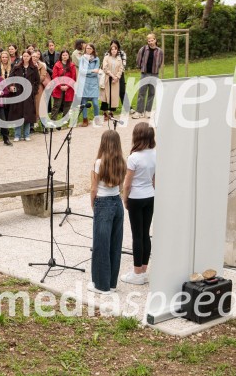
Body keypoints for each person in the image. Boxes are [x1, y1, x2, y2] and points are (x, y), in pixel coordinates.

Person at [89, 129, 126, 294]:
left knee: (101, 245)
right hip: (117, 203)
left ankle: (101, 286)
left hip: (103, 203)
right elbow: (121, 187)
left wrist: (93, 205)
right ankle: (111, 283)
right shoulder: (122, 163)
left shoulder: (99, 163)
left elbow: (93, 189)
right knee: (115, 244)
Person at [121, 122, 156, 285]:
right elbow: (155, 179)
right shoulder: (155, 154)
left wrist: (125, 198)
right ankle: (144, 270)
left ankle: (136, 273)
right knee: (145, 234)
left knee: (137, 235)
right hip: (150, 196)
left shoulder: (134, 157)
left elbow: (127, 183)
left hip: (136, 197)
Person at [8, 52, 39, 142]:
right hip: (18, 93)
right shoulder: (17, 67)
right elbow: (10, 78)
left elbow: (37, 81)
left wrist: (33, 91)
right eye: (24, 56)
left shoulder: (34, 68)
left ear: (30, 57)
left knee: (28, 114)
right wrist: (11, 86)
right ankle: (17, 135)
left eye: (27, 56)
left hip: (29, 94)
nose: (26, 58)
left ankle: (26, 134)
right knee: (18, 114)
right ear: (22, 57)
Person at [133, 34, 163, 119]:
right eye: (149, 41)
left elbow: (160, 62)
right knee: (141, 93)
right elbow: (138, 60)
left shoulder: (160, 51)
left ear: (155, 40)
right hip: (144, 73)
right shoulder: (143, 49)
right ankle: (139, 112)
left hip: (154, 74)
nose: (150, 42)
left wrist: (156, 69)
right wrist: (141, 68)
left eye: (152, 40)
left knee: (152, 93)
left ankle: (148, 111)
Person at [100, 40, 124, 121]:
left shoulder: (119, 59)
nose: (114, 50)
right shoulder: (106, 57)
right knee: (105, 96)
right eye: (112, 49)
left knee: (113, 96)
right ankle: (105, 113)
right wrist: (112, 76)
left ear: (117, 50)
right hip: (107, 78)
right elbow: (105, 68)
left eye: (115, 49)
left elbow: (121, 69)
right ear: (110, 50)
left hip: (115, 80)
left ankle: (111, 112)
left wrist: (117, 77)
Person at [77, 44, 101, 127]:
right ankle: (85, 120)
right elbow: (81, 71)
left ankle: (97, 119)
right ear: (85, 49)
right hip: (84, 83)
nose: (88, 49)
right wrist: (91, 71)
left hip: (94, 83)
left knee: (95, 103)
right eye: (87, 48)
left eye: (90, 48)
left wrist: (87, 72)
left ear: (93, 50)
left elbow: (97, 71)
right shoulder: (82, 59)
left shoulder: (97, 59)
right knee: (84, 103)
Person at [50, 50, 77, 122]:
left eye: (66, 55)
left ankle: (64, 121)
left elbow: (73, 77)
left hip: (69, 88)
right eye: (63, 55)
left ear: (68, 56)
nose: (65, 56)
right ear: (61, 56)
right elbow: (54, 77)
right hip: (58, 88)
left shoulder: (72, 65)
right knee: (56, 105)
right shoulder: (57, 65)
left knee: (67, 105)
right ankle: (53, 121)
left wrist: (67, 86)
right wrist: (60, 86)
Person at [31, 51, 50, 131]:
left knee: (41, 106)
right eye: (33, 56)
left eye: (36, 57)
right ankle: (31, 126)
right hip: (29, 88)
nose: (35, 58)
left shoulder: (41, 66)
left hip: (38, 87)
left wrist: (35, 80)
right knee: (30, 107)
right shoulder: (27, 65)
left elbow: (43, 77)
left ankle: (44, 125)